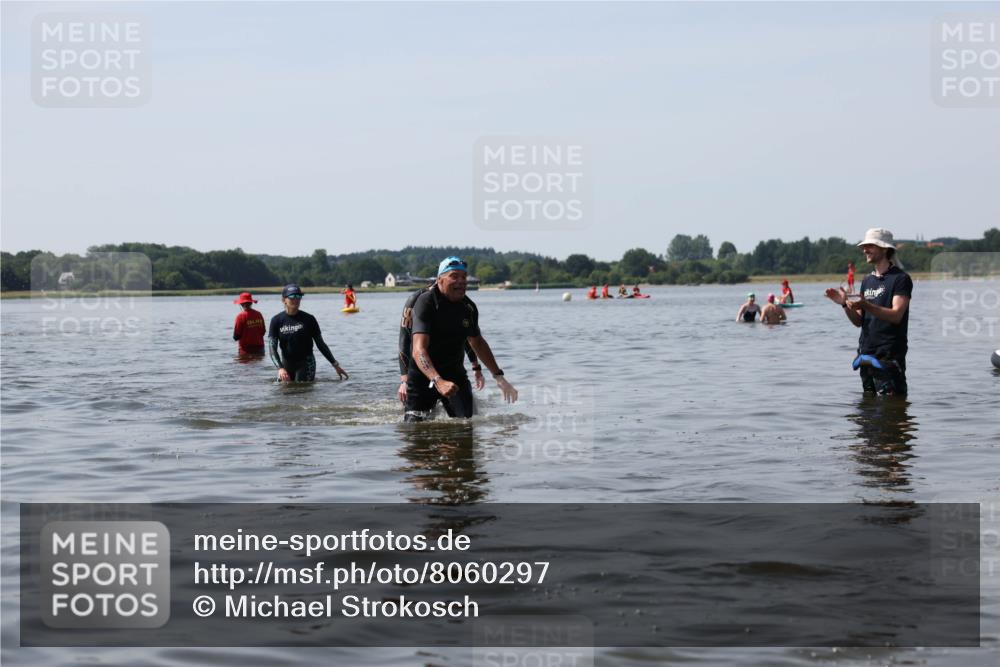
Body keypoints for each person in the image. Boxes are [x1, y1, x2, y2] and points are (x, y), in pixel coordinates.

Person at [404, 256, 517, 421]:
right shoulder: (426, 302)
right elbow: (418, 349)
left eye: (464, 277)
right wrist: (438, 380)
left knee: (466, 426)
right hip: (423, 377)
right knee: (415, 433)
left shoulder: (468, 307)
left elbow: (477, 342)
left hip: (455, 376)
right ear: (440, 280)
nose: (461, 281)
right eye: (454, 276)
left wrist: (499, 377)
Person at [824, 228, 912, 396]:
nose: (865, 250)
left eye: (870, 246)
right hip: (865, 357)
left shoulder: (900, 279)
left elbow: (896, 315)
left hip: (888, 357)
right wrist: (844, 304)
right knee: (868, 413)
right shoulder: (867, 281)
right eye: (864, 246)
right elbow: (859, 322)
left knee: (892, 412)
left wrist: (866, 305)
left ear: (885, 248)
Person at [398, 280, 485, 404]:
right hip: (422, 367)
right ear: (440, 281)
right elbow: (404, 339)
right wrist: (404, 380)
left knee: (466, 419)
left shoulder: (461, 302)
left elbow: (465, 337)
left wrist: (476, 367)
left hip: (451, 366)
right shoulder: (417, 300)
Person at [268, 284, 349, 382]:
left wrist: (335, 365)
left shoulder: (309, 319)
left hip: (306, 364)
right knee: (284, 393)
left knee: (303, 392)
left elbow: (321, 344)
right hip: (286, 364)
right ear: (284, 300)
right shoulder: (276, 320)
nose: (296, 299)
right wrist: (280, 368)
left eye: (298, 296)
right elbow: (272, 347)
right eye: (292, 297)